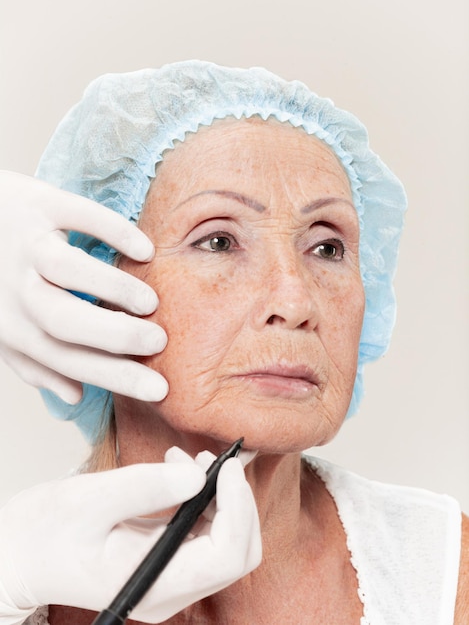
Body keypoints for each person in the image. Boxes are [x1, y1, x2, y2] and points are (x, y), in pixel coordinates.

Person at [0, 60, 467, 624]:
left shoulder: (445, 576)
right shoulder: (21, 572)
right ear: (95, 286)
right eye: (218, 240)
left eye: (328, 248)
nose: (295, 303)